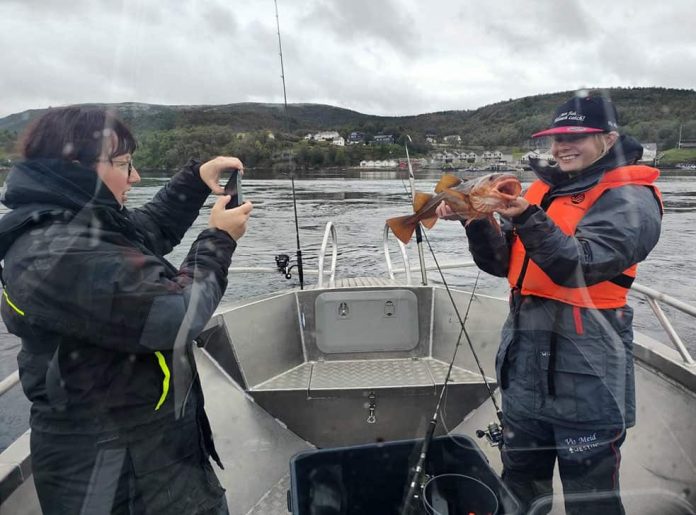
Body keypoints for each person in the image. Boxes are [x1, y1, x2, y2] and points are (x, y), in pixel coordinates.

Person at [0, 106, 253, 514]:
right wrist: (218, 240)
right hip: (114, 474)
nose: (134, 177)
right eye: (123, 164)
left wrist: (194, 182)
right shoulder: (57, 253)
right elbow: (175, 315)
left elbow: (145, 230)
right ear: (77, 166)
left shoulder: (78, 224)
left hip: (147, 452)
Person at [436, 95, 663, 514]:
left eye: (575, 136)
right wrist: (478, 221)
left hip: (588, 371)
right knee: (520, 482)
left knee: (589, 495)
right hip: (524, 368)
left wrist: (524, 216)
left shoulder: (632, 199)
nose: (562, 147)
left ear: (609, 138)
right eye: (556, 139)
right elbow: (502, 263)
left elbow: (578, 265)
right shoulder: (541, 192)